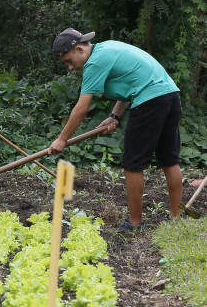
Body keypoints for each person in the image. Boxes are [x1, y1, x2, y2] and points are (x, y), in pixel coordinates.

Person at [47, 28, 182, 230]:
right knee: (169, 159)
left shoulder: (94, 63)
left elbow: (81, 108)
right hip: (170, 95)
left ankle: (135, 223)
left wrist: (62, 139)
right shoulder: (108, 47)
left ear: (80, 50)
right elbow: (132, 82)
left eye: (68, 60)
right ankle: (176, 217)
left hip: (149, 102)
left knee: (132, 164)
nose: (70, 67)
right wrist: (114, 116)